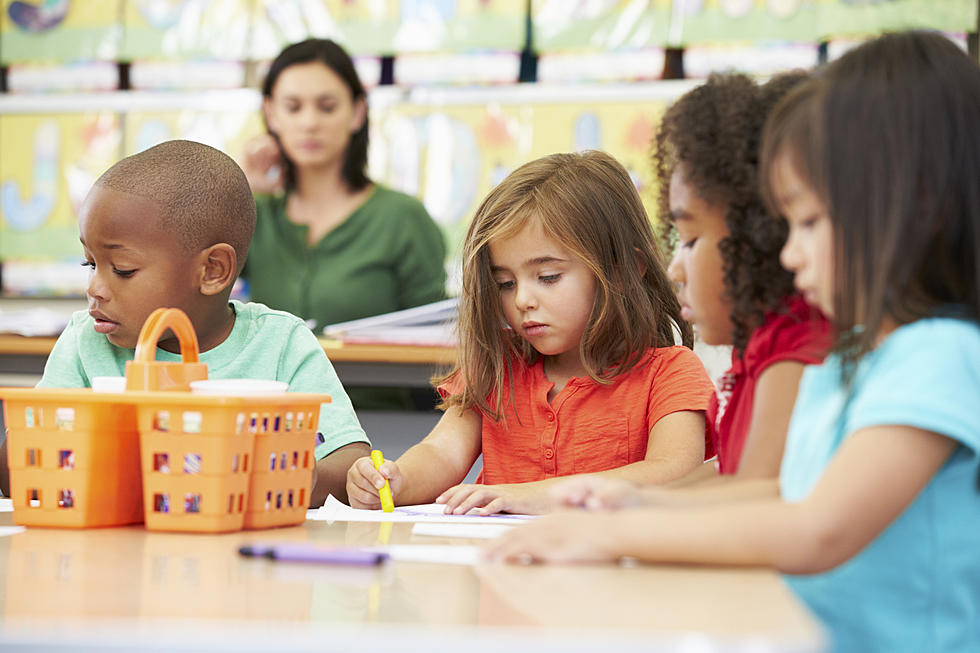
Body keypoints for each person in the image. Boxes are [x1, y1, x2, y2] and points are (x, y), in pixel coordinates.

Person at [485, 31, 980, 653]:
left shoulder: (939, 354)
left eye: (809, 223)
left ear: (914, 208)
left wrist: (611, 534)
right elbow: (783, 491)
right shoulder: (857, 361)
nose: (788, 252)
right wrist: (625, 507)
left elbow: (817, 529)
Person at [0, 140, 370, 507]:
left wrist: (299, 478)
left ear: (213, 270)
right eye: (90, 264)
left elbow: (350, 462)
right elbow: (14, 475)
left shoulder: (281, 344)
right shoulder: (86, 341)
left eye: (123, 270)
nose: (94, 288)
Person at [346, 150, 715, 515]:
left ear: (623, 272)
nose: (522, 299)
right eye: (505, 283)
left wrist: (543, 495)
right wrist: (396, 480)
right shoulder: (499, 364)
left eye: (548, 278)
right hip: (501, 564)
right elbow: (442, 453)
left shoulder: (670, 372)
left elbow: (674, 472)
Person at [554, 72, 832, 511]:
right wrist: (621, 499)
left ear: (758, 238)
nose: (675, 267)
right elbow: (729, 470)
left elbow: (752, 503)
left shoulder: (794, 348)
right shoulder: (755, 349)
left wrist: (625, 520)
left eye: (690, 241)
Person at [240, 38, 447, 409]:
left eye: (327, 106)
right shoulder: (254, 214)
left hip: (383, 431)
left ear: (357, 112)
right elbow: (191, 286)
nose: (309, 122)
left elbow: (440, 347)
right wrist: (241, 190)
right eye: (293, 107)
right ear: (271, 115)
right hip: (268, 427)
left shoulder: (402, 218)